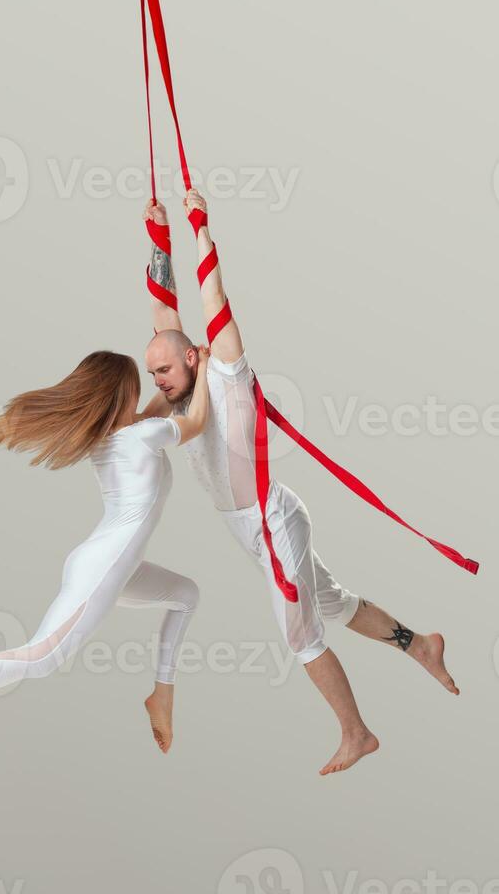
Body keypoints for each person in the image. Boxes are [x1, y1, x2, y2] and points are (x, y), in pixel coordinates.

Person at [142, 189, 460, 776]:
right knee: (334, 602)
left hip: (270, 520)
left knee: (300, 633)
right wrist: (156, 238)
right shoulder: (185, 381)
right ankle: (420, 644)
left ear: (194, 359)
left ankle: (356, 733)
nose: (156, 379)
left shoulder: (228, 375)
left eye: (163, 368)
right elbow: (166, 318)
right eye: (152, 369)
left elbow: (216, 302)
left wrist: (199, 227)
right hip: (255, 525)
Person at [0, 347, 210, 755]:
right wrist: (209, 367)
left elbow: (155, 410)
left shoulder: (118, 436)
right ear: (121, 396)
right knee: (40, 658)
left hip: (109, 564)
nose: (150, 389)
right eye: (139, 385)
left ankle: (162, 694)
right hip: (104, 569)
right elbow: (195, 420)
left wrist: (183, 369)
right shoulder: (143, 434)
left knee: (186, 595)